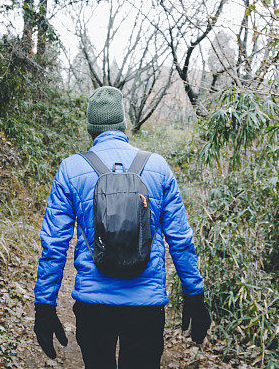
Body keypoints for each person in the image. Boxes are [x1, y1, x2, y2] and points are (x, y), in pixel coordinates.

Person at [33, 86, 211, 368]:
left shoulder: (70, 169)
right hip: (146, 305)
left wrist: (44, 305)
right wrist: (195, 295)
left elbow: (54, 243)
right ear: (123, 123)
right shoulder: (158, 167)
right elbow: (180, 240)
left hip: (93, 304)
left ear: (90, 127)